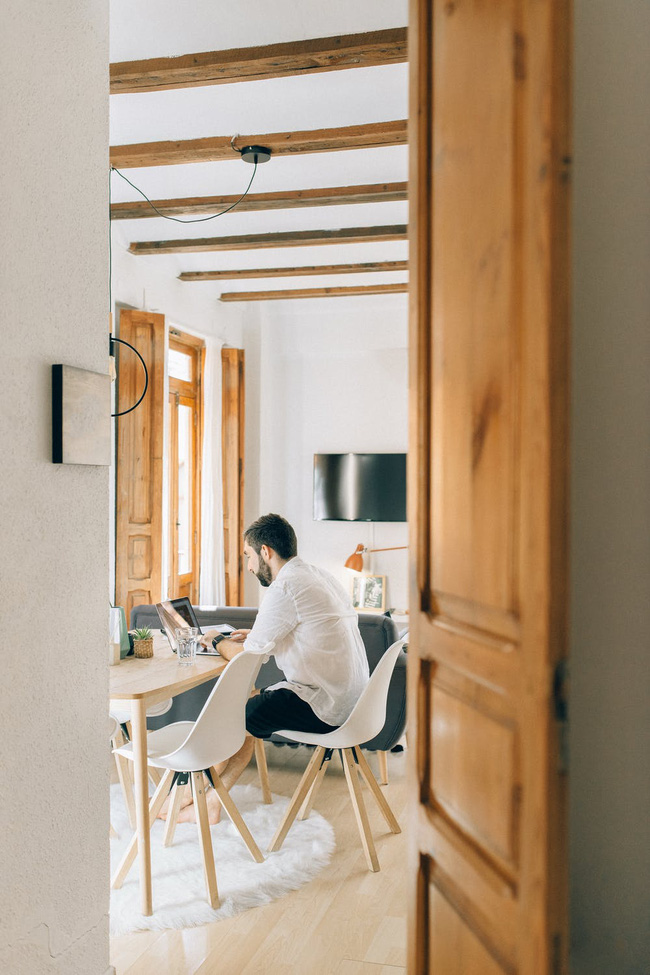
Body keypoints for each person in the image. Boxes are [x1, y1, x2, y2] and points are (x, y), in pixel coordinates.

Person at [164, 512, 369, 824]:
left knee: (229, 716)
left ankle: (187, 798)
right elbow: (305, 629)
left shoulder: (285, 588)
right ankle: (211, 802)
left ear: (265, 552)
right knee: (249, 710)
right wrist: (257, 634)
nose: (248, 566)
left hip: (325, 707)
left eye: (248, 555)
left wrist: (216, 639)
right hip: (355, 703)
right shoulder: (319, 576)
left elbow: (246, 657)